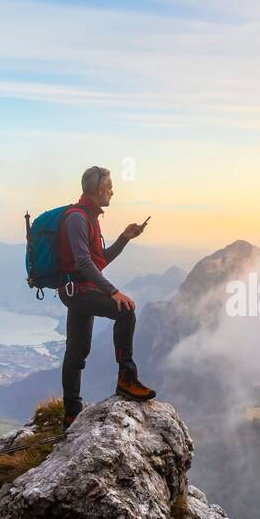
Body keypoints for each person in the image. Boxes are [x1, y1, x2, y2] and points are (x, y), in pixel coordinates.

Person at [58, 166, 157, 426]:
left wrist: (124, 238)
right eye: (110, 186)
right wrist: (112, 292)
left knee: (77, 351)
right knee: (125, 311)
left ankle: (71, 413)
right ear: (98, 189)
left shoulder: (89, 217)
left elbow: (97, 263)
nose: (113, 191)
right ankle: (126, 378)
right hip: (78, 291)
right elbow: (83, 263)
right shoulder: (78, 218)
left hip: (78, 291)